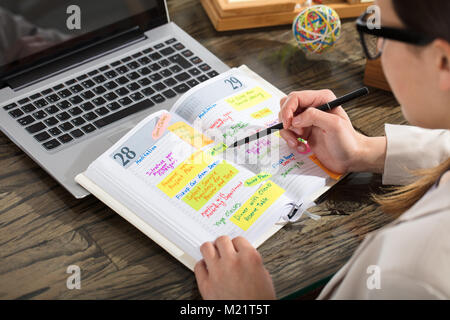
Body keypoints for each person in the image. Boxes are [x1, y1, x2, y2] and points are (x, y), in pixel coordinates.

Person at [194, 0, 450, 299]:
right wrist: (364, 151)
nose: (378, 44)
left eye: (381, 32)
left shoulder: (415, 276)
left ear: (442, 61)